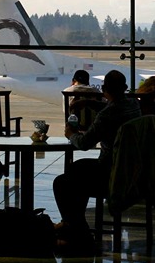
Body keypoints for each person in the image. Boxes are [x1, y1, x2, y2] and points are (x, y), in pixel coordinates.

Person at [52, 69, 141, 246]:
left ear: (104, 89)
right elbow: (117, 106)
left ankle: (77, 229)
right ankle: (74, 225)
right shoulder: (134, 105)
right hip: (132, 172)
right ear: (124, 87)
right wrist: (94, 104)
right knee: (76, 171)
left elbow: (84, 143)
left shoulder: (106, 116)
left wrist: (71, 134)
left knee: (63, 182)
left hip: (110, 172)